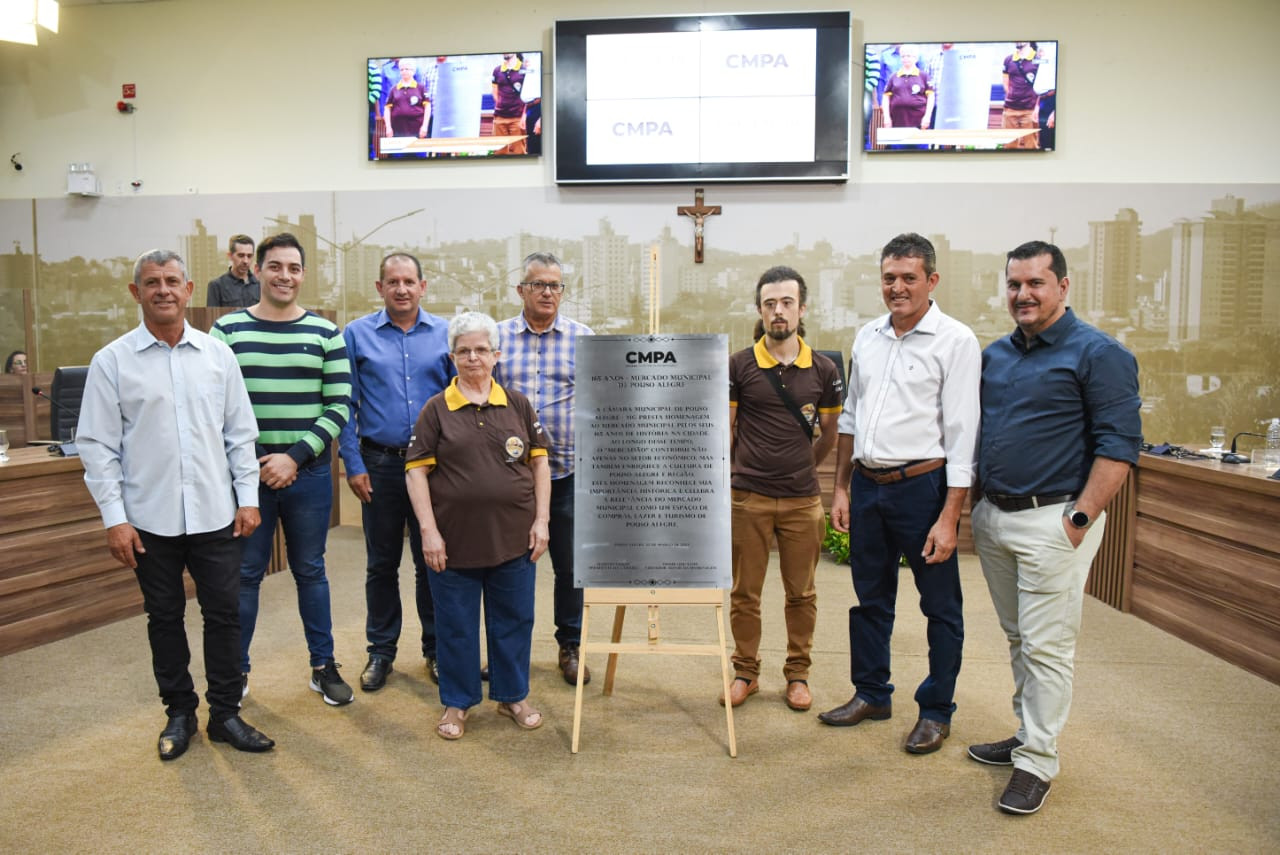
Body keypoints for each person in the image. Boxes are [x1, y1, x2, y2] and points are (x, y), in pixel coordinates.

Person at [77, 249, 274, 760]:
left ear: (188, 290)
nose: (162, 290)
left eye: (171, 281)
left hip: (216, 514)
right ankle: (179, 713)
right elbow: (97, 447)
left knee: (224, 616)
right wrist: (115, 520)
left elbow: (239, 434)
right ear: (135, 292)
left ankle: (226, 713)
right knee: (163, 618)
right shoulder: (112, 362)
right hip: (149, 521)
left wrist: (248, 499)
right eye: (151, 282)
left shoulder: (217, 356)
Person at [969, 240, 1141, 814]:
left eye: (1035, 283)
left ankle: (1038, 761)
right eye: (1014, 284)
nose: (1022, 294)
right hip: (995, 518)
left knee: (1047, 647)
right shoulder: (995, 354)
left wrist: (1079, 520)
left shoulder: (1099, 353)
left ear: (1063, 287)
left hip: (1054, 520)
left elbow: (1119, 448)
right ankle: (1026, 735)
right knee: (1020, 639)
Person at [817, 233, 980, 757]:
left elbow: (962, 436)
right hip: (868, 486)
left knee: (940, 606)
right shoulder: (867, 336)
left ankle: (936, 711)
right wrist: (841, 487)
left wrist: (950, 516)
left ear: (932, 281)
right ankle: (872, 694)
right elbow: (851, 417)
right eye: (890, 277)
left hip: (924, 489)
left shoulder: (955, 341)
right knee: (870, 599)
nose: (897, 287)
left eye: (909, 277)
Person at [210, 232, 355, 707]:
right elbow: (213, 404)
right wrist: (253, 464)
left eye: (294, 268)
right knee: (246, 575)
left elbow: (338, 406)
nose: (284, 276)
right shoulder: (227, 332)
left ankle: (322, 666)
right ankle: (236, 670)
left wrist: (293, 456)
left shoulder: (326, 333)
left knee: (311, 571)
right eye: (275, 267)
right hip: (245, 478)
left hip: (308, 474)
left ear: (303, 275)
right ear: (258, 271)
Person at [405, 311, 550, 740]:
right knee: (455, 625)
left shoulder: (518, 404)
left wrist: (541, 521)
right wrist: (428, 531)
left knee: (514, 620)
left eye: (481, 350)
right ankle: (457, 703)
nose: (473, 358)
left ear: (496, 355)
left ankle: (513, 696)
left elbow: (540, 466)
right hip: (453, 543)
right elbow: (415, 473)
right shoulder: (436, 410)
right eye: (464, 351)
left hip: (515, 538)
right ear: (452, 357)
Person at [723, 266, 843, 711]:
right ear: (760, 309)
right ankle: (745, 672)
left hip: (801, 501)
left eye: (787, 303)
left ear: (802, 309)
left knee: (802, 593)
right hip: (748, 497)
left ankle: (798, 674)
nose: (779, 311)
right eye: (770, 303)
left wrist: (801, 468)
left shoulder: (825, 369)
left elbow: (829, 433)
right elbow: (728, 428)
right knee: (744, 593)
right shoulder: (739, 364)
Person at [337, 252, 453, 692]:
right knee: (380, 564)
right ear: (379, 287)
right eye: (393, 281)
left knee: (433, 561)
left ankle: (437, 651)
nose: (401, 289)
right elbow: (345, 404)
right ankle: (381, 652)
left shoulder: (444, 333)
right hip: (380, 464)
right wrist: (353, 462)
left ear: (423, 286)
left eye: (409, 281)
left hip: (433, 467)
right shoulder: (357, 334)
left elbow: (455, 402)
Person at [495, 251, 595, 686]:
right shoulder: (495, 337)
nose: (549, 293)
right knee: (509, 568)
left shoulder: (582, 338)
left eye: (556, 285)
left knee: (571, 569)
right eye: (539, 285)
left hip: (568, 473)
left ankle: (570, 647)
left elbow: (599, 405)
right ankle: (507, 654)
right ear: (521, 290)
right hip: (510, 477)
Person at [880, 45, 934, 131]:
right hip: (897, 122)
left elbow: (931, 97)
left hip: (919, 124)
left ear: (916, 58)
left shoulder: (924, 76)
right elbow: (886, 97)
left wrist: (927, 117)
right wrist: (887, 118)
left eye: (909, 56)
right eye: (903, 56)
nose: (905, 59)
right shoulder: (893, 76)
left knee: (918, 144)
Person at [1002, 42, 1041, 150]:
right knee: (1009, 146)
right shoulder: (1008, 60)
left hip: (1030, 110)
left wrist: (1037, 107)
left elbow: (1042, 86)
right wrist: (1012, 96)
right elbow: (1005, 82)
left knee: (1031, 146)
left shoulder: (1038, 59)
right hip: (1010, 110)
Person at [206, 235, 260, 308]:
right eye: (241, 255)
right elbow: (212, 317)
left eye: (249, 256)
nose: (245, 261)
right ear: (230, 256)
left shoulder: (261, 285)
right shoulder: (217, 286)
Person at [383, 57, 431, 139]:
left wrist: (425, 126)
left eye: (407, 69)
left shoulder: (421, 88)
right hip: (398, 132)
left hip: (418, 132)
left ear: (413, 71)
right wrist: (388, 127)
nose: (404, 71)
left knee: (418, 151)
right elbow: (387, 109)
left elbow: (427, 107)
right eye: (401, 69)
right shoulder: (394, 89)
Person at [491, 53, 528, 155]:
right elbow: (495, 91)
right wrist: (501, 104)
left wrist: (524, 116)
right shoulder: (497, 70)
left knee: (519, 152)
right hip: (499, 118)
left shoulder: (524, 69)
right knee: (499, 153)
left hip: (517, 118)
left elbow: (528, 95)